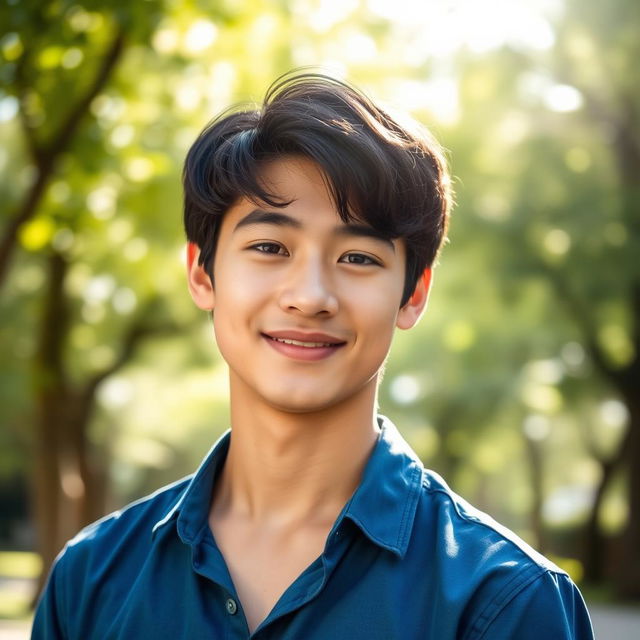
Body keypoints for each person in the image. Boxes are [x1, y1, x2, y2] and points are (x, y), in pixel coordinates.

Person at [32, 71, 594, 639]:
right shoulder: (92, 579)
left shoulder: (505, 601)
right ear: (203, 274)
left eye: (357, 258)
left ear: (414, 293)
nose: (310, 297)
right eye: (270, 247)